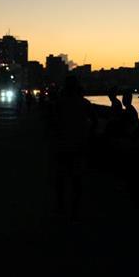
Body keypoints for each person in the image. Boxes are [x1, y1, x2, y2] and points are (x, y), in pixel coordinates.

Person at [48, 75, 97, 219]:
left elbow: (53, 122)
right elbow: (94, 121)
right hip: (79, 144)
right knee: (77, 178)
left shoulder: (59, 103)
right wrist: (88, 133)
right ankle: (75, 207)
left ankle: (61, 206)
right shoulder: (85, 103)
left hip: (63, 144)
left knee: (61, 177)